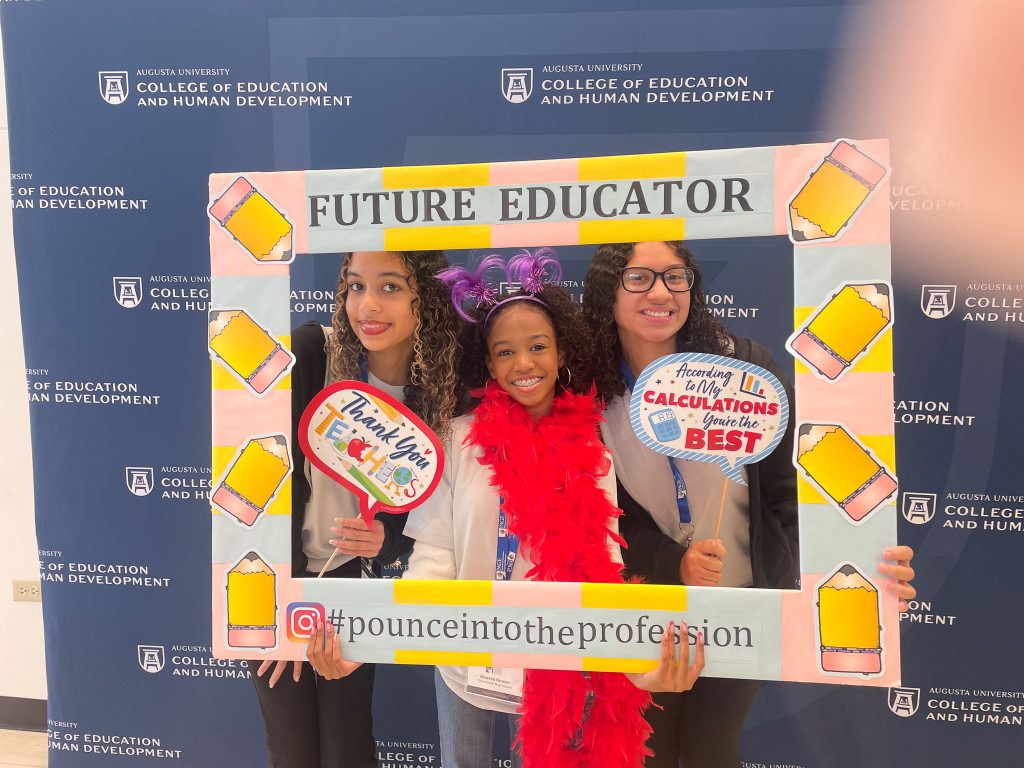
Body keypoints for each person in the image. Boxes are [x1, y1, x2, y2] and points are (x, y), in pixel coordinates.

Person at [308, 249, 705, 768]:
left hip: (553, 669)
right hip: (463, 660)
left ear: (562, 353)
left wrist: (640, 672)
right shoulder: (458, 438)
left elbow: (603, 578)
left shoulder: (594, 452)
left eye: (538, 347)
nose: (523, 364)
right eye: (504, 352)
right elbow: (433, 555)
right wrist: (367, 642)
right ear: (488, 363)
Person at [583, 241, 917, 768]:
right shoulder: (586, 391)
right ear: (608, 289)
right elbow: (600, 512)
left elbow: (797, 491)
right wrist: (674, 562)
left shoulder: (745, 372)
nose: (661, 292)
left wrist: (859, 568)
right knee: (648, 753)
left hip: (745, 603)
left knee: (709, 753)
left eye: (676, 277)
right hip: (647, 607)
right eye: (639, 277)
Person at [247, 250, 463, 768]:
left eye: (389, 287)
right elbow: (253, 478)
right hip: (277, 578)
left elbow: (429, 513)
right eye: (355, 286)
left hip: (352, 585)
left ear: (423, 299)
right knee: (291, 748)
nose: (367, 305)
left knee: (348, 745)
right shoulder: (310, 354)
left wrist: (384, 539)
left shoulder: (438, 391)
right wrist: (272, 608)